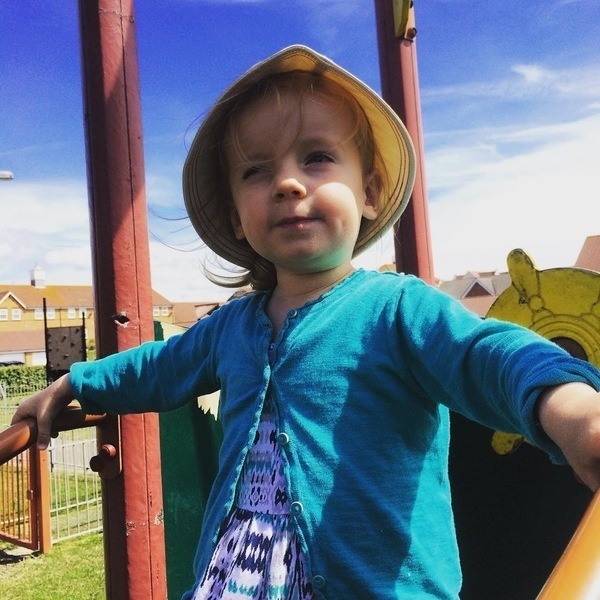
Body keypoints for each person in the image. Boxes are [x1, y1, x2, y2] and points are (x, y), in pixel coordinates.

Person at [11, 45, 600, 599]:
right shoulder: (230, 328)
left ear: (369, 193)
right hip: (234, 577)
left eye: (317, 157)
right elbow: (160, 366)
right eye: (256, 171)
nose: (288, 183)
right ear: (237, 219)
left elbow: (487, 355)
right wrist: (74, 384)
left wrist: (573, 410)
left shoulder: (399, 309)